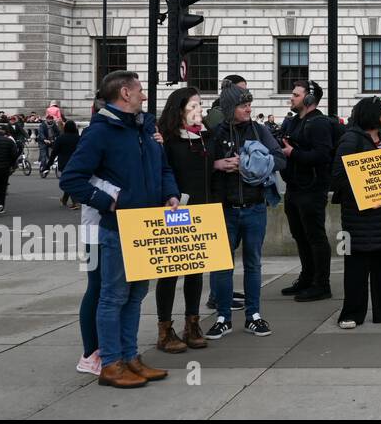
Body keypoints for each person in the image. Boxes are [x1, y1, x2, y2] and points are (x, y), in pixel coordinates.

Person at [61, 70, 180, 388]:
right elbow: (71, 179)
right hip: (117, 227)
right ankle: (110, 363)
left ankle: (130, 357)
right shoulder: (101, 132)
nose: (144, 95)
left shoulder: (143, 129)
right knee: (113, 295)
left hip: (148, 226)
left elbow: (163, 166)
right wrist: (109, 202)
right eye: (139, 90)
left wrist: (169, 194)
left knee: (137, 293)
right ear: (124, 94)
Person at [207, 82, 284, 339]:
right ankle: (223, 316)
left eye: (249, 103)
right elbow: (200, 167)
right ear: (230, 108)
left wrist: (255, 163)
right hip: (224, 209)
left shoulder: (259, 131)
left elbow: (281, 158)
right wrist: (218, 164)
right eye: (243, 105)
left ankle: (253, 315)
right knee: (222, 265)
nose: (248, 108)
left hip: (254, 207)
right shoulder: (216, 134)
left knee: (253, 263)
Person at [327, 98, 381, 327]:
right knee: (356, 268)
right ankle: (351, 313)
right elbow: (338, 177)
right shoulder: (351, 140)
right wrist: (367, 195)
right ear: (371, 114)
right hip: (358, 218)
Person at [153, 87, 212, 353]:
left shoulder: (205, 136)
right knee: (170, 273)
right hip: (175, 210)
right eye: (194, 105)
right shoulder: (166, 139)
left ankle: (193, 323)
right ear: (179, 109)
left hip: (202, 209)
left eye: (200, 105)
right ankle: (165, 328)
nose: (199, 110)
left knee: (195, 271)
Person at [278, 80, 335, 302]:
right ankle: (307, 277)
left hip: (312, 189)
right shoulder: (294, 122)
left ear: (309, 99)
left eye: (296, 95)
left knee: (315, 236)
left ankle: (321, 284)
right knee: (300, 235)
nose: (291, 98)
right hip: (294, 187)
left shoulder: (318, 123)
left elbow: (323, 156)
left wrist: (294, 153)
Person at [0, 125, 16, 215]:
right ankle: (2, 206)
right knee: (2, 187)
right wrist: (11, 165)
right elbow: (14, 155)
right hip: (5, 167)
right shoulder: (9, 141)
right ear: (4, 132)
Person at [37, 113, 60, 177]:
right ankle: (43, 168)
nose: (50, 120)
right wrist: (44, 139)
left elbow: (58, 133)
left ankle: (54, 164)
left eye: (51, 119)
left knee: (56, 152)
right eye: (49, 119)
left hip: (51, 141)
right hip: (43, 142)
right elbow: (41, 133)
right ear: (46, 119)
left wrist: (56, 138)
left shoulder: (54, 125)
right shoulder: (42, 125)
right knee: (44, 156)